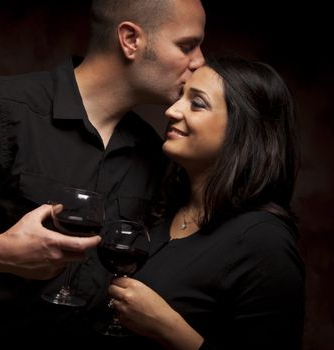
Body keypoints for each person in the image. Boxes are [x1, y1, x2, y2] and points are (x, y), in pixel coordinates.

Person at [0, 0, 206, 346]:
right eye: (187, 45)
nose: (200, 60)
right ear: (130, 39)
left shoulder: (154, 152)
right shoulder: (1, 108)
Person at [107, 56, 305, 349]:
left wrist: (168, 328)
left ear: (242, 129)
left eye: (197, 103)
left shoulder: (264, 241)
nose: (172, 110)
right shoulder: (162, 205)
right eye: (180, 97)